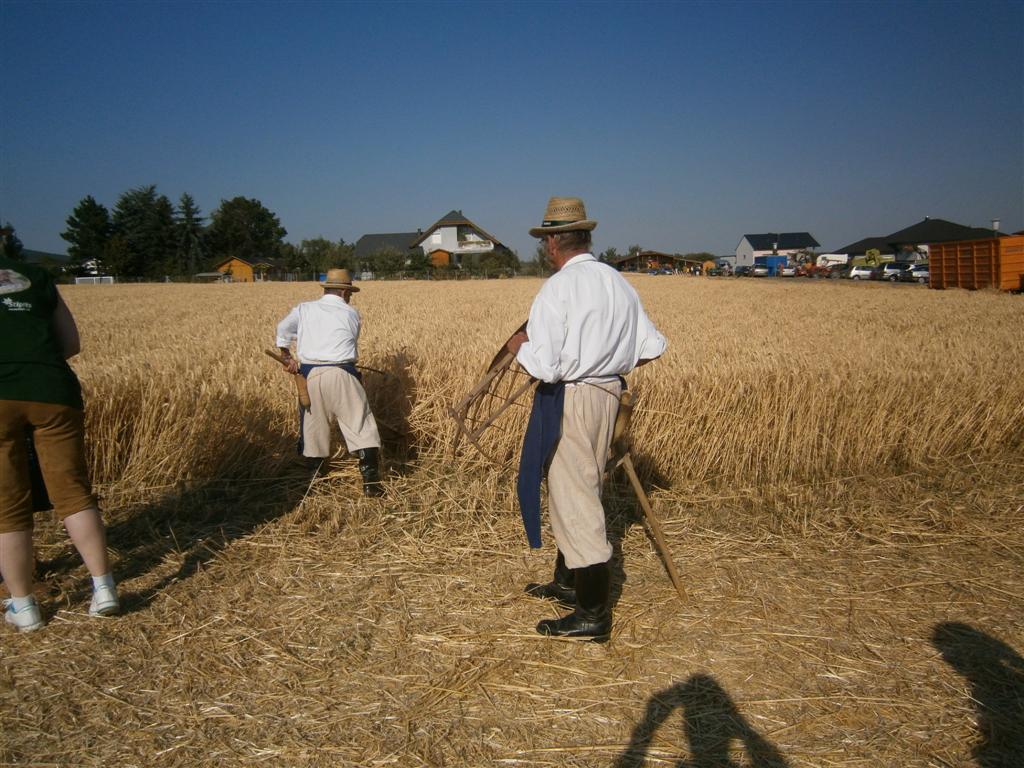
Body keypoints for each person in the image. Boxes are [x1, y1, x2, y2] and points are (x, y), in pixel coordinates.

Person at [507, 196, 667, 642]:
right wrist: (607, 372)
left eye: (545, 240)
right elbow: (651, 348)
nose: (545, 248)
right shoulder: (618, 283)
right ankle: (567, 582)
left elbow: (547, 366)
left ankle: (592, 615)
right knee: (580, 485)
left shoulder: (558, 289)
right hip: (608, 396)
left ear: (555, 241)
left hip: (573, 398)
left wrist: (519, 345)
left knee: (575, 495)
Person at [1, 256, 120, 632]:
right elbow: (70, 343)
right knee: (72, 492)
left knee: (6, 505)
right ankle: (104, 590)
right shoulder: (35, 275)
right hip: (53, 390)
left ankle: (24, 607)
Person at [275, 268, 384, 497]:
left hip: (310, 377)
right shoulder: (352, 314)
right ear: (344, 293)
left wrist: (287, 357)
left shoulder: (304, 309)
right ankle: (371, 484)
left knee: (313, 428)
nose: (351, 297)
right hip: (343, 374)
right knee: (360, 424)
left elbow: (282, 329)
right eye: (350, 293)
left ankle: (315, 482)